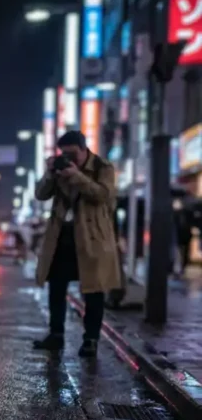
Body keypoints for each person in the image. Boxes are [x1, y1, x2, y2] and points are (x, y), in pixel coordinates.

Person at [32, 131, 121, 357]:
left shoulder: (103, 167)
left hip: (92, 238)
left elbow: (104, 195)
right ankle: (56, 335)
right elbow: (41, 194)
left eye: (73, 154)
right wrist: (51, 174)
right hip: (62, 236)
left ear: (83, 149)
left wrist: (77, 177)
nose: (69, 158)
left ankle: (91, 339)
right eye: (64, 154)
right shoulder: (60, 169)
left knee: (93, 291)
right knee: (56, 287)